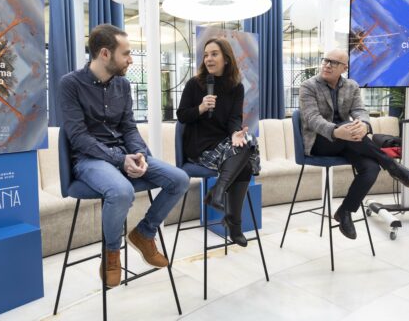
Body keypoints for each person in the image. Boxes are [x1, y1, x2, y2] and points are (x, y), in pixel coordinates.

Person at [59, 24, 189, 287]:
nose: (131, 59)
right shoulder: (70, 84)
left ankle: (144, 233)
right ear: (105, 54)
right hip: (89, 159)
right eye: (126, 53)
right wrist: (120, 160)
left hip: (124, 153)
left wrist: (139, 154)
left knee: (180, 179)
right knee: (121, 192)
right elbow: (78, 137)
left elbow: (128, 127)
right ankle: (111, 252)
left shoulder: (123, 85)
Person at [299, 48, 409, 240]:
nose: (327, 65)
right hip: (320, 142)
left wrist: (364, 126)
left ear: (344, 67)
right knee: (346, 126)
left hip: (348, 142)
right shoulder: (309, 86)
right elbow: (311, 118)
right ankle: (394, 167)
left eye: (333, 62)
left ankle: (345, 211)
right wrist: (335, 130)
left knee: (371, 168)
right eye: (325, 60)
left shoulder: (351, 86)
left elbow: (359, 110)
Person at [177, 38, 260, 247]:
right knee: (245, 159)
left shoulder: (236, 87)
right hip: (199, 145)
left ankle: (218, 192)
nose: (208, 59)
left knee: (247, 142)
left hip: (222, 142)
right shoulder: (194, 84)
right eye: (206, 55)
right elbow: (182, 116)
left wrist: (235, 134)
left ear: (226, 59)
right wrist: (201, 108)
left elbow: (234, 119)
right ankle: (234, 223)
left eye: (214, 54)